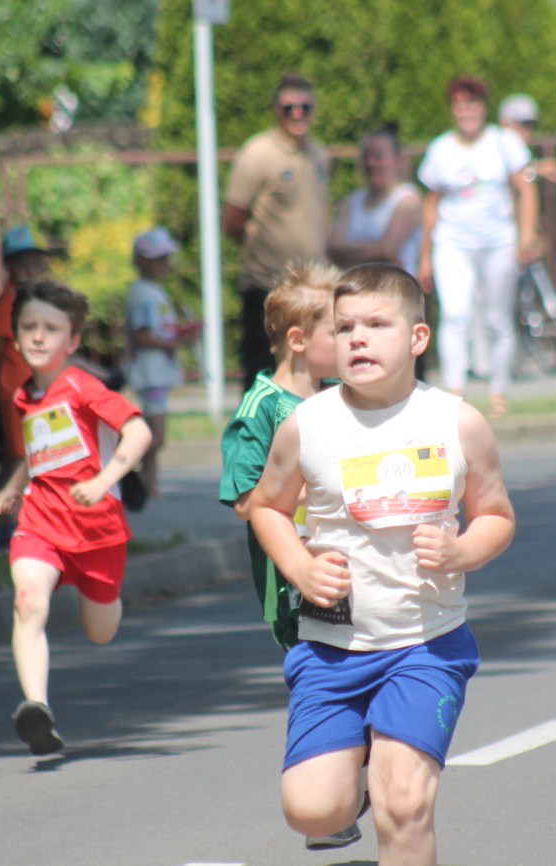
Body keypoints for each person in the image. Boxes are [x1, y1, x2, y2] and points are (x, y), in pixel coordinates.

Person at [250, 263, 515, 863]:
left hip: (426, 643)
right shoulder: (308, 423)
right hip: (332, 647)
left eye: (376, 324)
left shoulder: (457, 423)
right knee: (313, 810)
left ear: (418, 338)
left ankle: (389, 761)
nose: (358, 339)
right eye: (344, 328)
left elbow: (497, 515)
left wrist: (462, 549)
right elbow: (267, 506)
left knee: (403, 803)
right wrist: (298, 566)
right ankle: (364, 756)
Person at [217, 260, 353, 849]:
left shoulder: (337, 402)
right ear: (299, 340)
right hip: (291, 582)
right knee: (320, 675)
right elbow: (248, 500)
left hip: (344, 567)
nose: (352, 341)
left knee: (361, 666)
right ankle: (326, 797)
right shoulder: (260, 412)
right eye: (339, 331)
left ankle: (345, 788)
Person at [0, 278, 153, 755]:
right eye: (29, 327)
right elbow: (39, 450)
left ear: (73, 341)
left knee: (99, 630)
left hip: (97, 526)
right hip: (41, 520)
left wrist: (104, 482)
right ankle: (36, 708)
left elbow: (138, 432)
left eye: (51, 329)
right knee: (28, 600)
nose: (38, 337)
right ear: (17, 337)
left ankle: (106, 598)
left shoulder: (82, 386)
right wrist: (14, 486)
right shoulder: (26, 395)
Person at [418, 74, 539, 417]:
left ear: (483, 108)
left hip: (497, 242)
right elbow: (432, 203)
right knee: (455, 315)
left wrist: (526, 234)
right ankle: (454, 391)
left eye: (472, 104)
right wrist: (425, 255)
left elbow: (526, 189)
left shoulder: (504, 143)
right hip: (453, 243)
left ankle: (499, 390)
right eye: (460, 104)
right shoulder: (441, 149)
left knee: (497, 319)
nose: (466, 111)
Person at [224, 73, 330, 388]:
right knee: (263, 370)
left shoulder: (320, 155)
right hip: (266, 286)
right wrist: (265, 253)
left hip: (311, 288)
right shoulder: (257, 153)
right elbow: (233, 220)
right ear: (276, 110)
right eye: (289, 108)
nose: (297, 113)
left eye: (304, 107)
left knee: (313, 368)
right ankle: (258, 437)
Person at [0, 225, 51, 550]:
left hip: (34, 391)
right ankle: (3, 527)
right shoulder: (9, 302)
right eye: (23, 265)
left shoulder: (31, 300)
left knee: (35, 457)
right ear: (10, 268)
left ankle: (26, 524)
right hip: (16, 391)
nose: (31, 270)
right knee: (18, 459)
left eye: (35, 264)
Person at [127, 227, 198, 500]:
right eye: (158, 259)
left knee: (154, 435)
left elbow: (155, 330)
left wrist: (177, 334)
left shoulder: (151, 291)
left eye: (166, 258)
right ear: (141, 261)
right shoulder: (144, 293)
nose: (164, 264)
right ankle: (126, 474)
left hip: (155, 372)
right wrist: (178, 342)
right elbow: (143, 335)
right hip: (151, 373)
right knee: (155, 437)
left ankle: (150, 489)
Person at [326, 124, 423, 276]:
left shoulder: (407, 200)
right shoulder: (352, 201)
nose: (371, 163)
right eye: (366, 156)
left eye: (378, 156)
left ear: (397, 159)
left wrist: (347, 253)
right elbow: (332, 246)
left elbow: (387, 251)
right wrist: (377, 250)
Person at [498, 93, 556, 184]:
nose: (527, 131)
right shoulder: (500, 141)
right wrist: (538, 169)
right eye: (522, 124)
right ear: (504, 123)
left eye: (531, 125)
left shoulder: (517, 148)